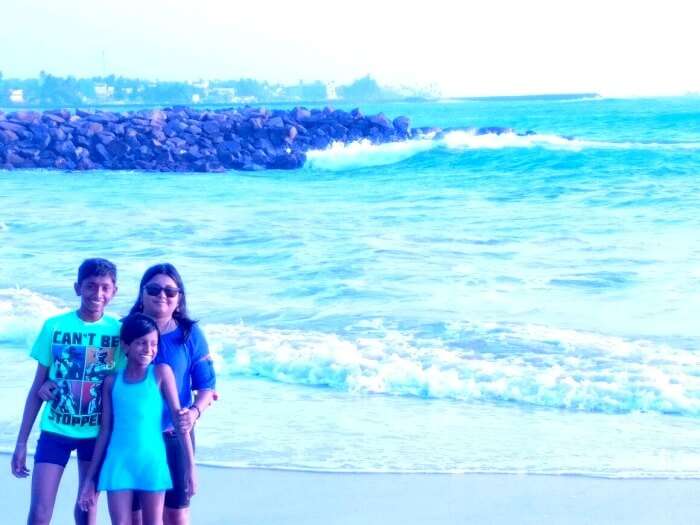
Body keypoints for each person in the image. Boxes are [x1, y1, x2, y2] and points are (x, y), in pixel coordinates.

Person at [11, 258, 121, 525]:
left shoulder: (118, 331)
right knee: (39, 513)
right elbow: (37, 385)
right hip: (55, 430)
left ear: (114, 291)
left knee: (86, 510)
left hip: (96, 434)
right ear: (77, 288)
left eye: (105, 287)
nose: (98, 294)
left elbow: (125, 384)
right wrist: (22, 441)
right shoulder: (55, 326)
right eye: (91, 286)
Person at [78, 314, 196, 525]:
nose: (148, 349)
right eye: (141, 343)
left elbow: (180, 423)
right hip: (118, 462)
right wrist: (89, 480)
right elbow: (105, 432)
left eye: (153, 344)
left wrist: (190, 468)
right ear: (125, 345)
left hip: (151, 462)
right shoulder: (111, 382)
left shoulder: (161, 373)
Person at [129, 263, 216, 525]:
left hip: (175, 436)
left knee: (176, 516)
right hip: (132, 437)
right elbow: (101, 376)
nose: (162, 295)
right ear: (142, 294)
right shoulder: (123, 331)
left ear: (179, 298)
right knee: (136, 516)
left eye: (170, 291)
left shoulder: (190, 335)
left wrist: (195, 411)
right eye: (154, 289)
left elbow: (207, 387)